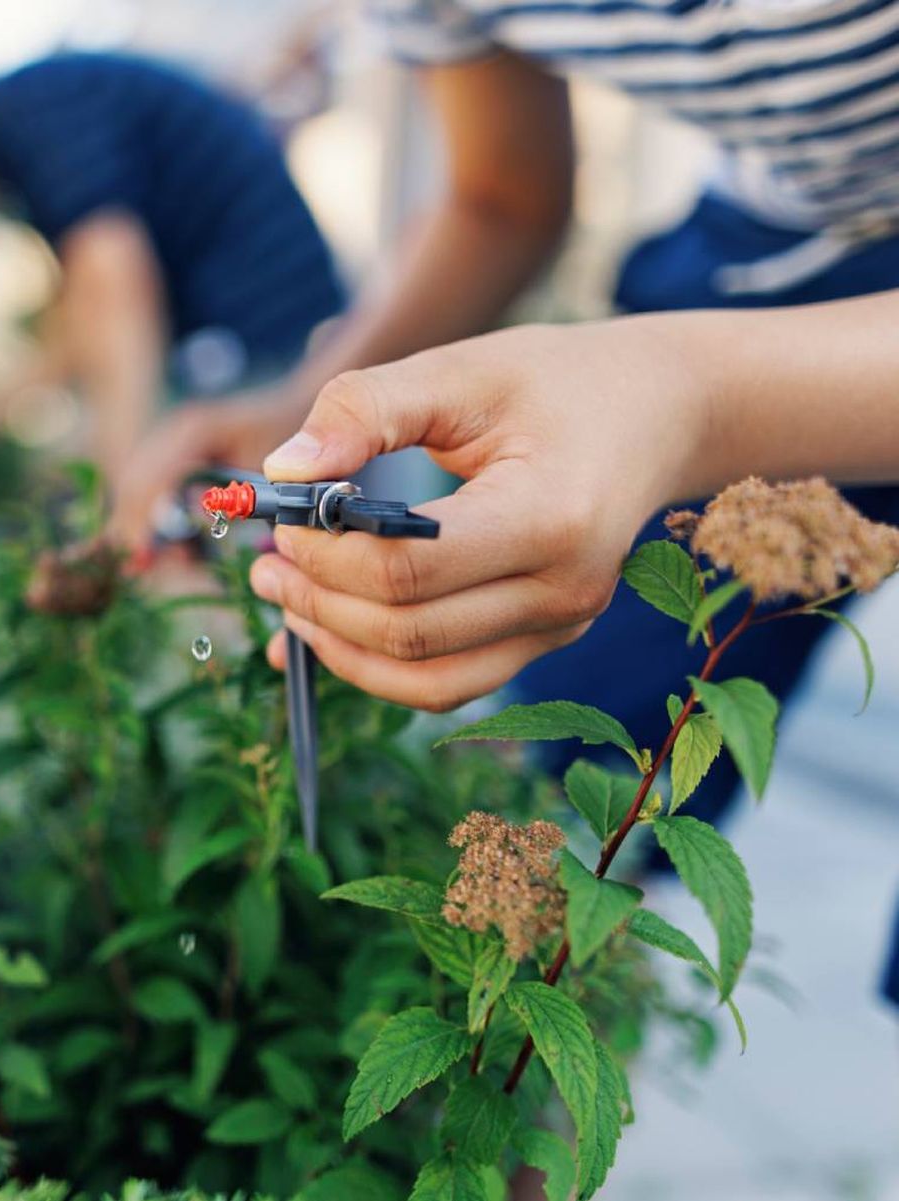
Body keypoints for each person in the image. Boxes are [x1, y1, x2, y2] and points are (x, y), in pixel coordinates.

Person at [116, 5, 899, 1006]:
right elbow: (500, 194)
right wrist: (300, 403)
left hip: (725, 348)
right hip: (765, 251)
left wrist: (682, 396)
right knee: (541, 829)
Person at [0, 51, 346, 486]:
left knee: (228, 519)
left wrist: (122, 477)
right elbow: (82, 319)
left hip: (269, 325)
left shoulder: (35, 119)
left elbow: (117, 285)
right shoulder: (24, 126)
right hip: (260, 322)